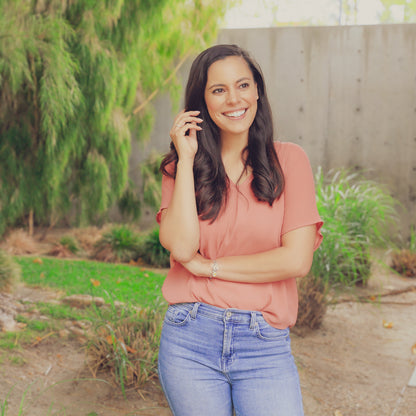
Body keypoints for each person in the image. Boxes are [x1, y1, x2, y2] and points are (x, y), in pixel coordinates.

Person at [156, 44, 323, 416]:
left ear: (257, 91)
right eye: (219, 90)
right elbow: (182, 248)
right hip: (189, 338)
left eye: (243, 85)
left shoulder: (290, 161)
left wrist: (209, 267)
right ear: (202, 102)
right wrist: (186, 158)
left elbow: (296, 260)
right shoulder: (181, 169)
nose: (234, 99)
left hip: (263, 341)